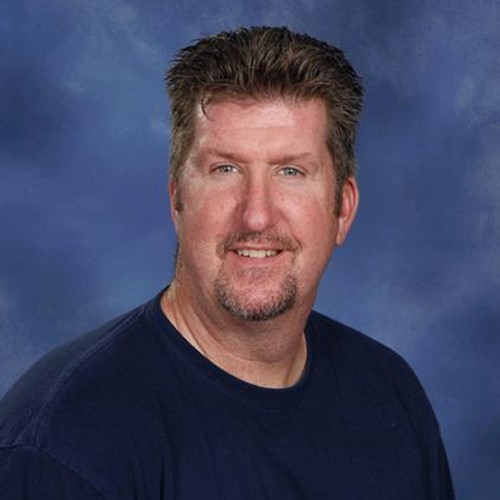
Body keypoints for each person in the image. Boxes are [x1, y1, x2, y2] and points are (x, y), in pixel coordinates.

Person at [0, 26, 454, 499]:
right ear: (177, 200)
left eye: (291, 171)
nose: (256, 215)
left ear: (343, 209)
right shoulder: (63, 445)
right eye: (225, 169)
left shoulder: (388, 394)